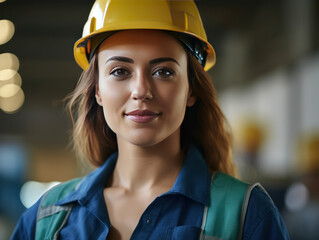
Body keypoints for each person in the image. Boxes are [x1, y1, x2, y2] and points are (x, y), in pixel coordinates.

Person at [11, 0, 290, 239]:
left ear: (191, 89)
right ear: (97, 90)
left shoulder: (247, 216)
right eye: (120, 71)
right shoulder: (46, 220)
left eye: (163, 72)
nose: (141, 91)